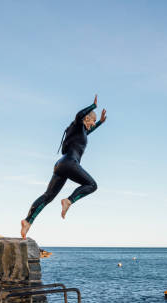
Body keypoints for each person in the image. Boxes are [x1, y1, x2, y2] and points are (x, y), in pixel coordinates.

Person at [21, 95, 107, 239]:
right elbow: (79, 115)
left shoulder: (79, 131)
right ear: (86, 118)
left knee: (47, 196)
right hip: (70, 163)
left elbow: (89, 131)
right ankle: (68, 201)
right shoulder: (78, 124)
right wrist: (93, 106)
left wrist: (100, 122)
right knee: (92, 185)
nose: (92, 124)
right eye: (92, 121)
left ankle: (27, 221)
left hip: (61, 165)